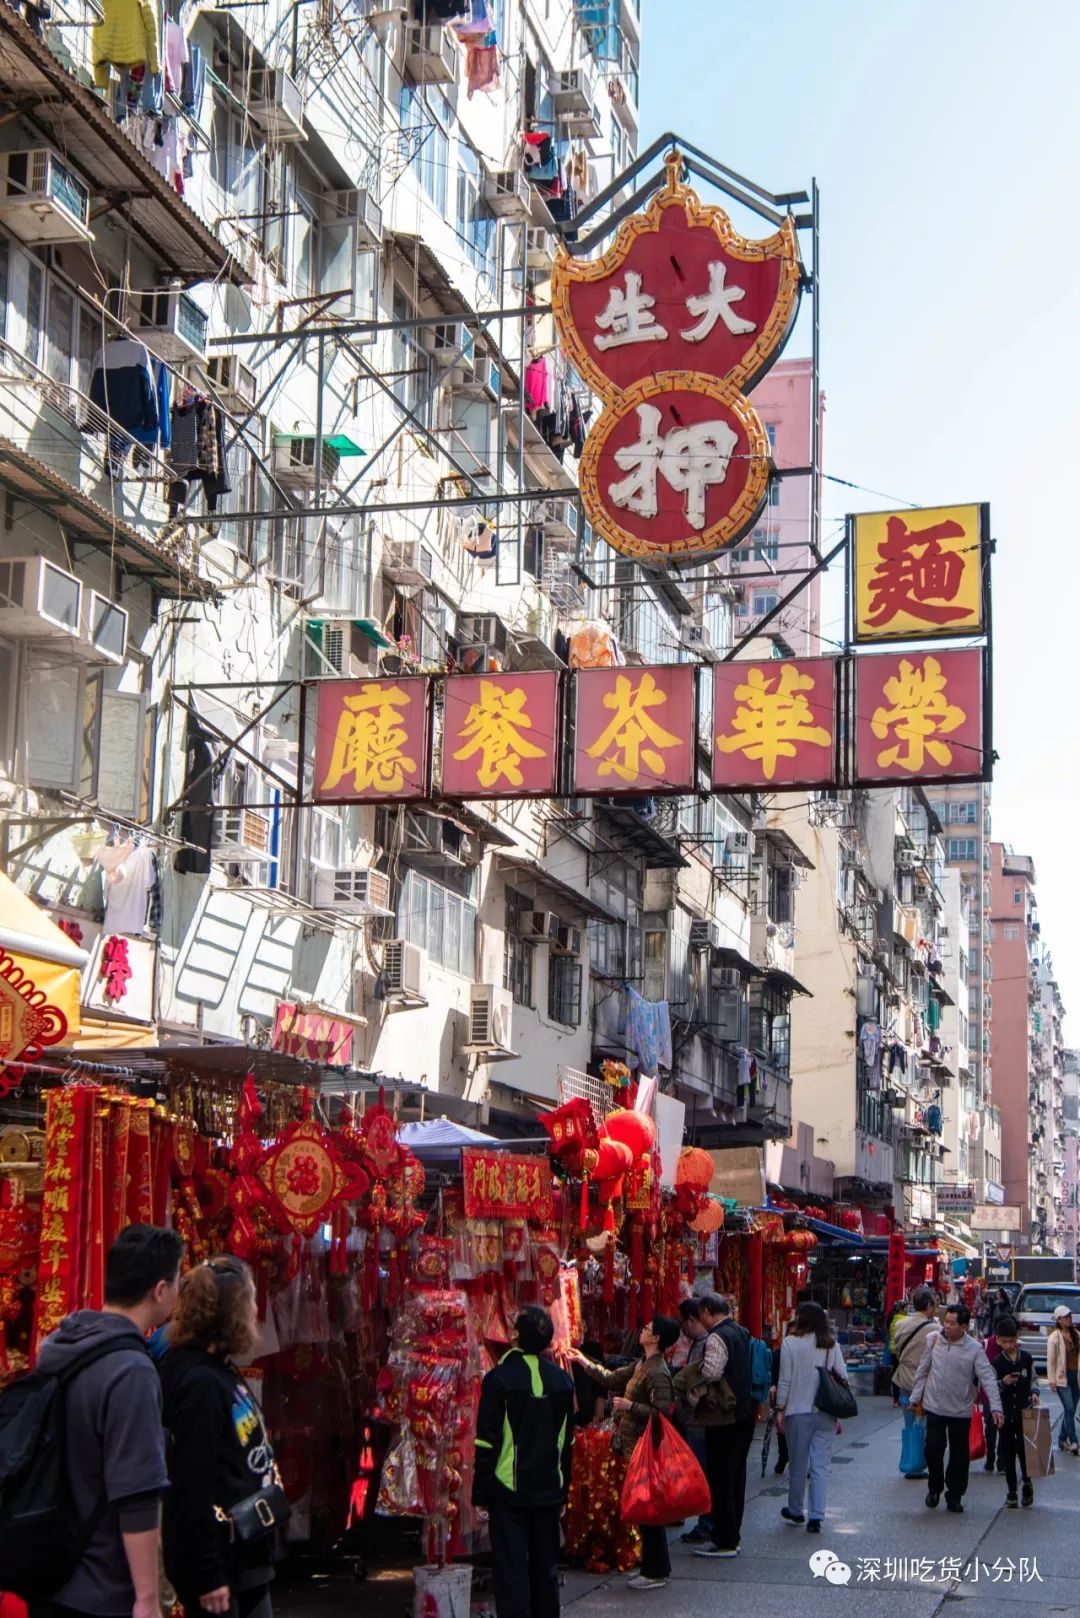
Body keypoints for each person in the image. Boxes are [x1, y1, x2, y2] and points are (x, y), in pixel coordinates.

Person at [34, 1223, 183, 1618]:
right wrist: (148, 1599)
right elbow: (136, 1492)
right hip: (100, 1587)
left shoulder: (60, 1346)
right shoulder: (130, 1371)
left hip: (49, 1569)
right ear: (160, 1290)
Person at [157, 1256, 282, 1618]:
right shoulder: (198, 1383)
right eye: (251, 1301)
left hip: (244, 1560)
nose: (256, 1310)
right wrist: (208, 1574)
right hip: (222, 1568)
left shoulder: (217, 1370)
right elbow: (191, 1485)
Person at [474, 1307, 575, 1618]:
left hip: (508, 1492)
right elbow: (567, 1443)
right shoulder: (561, 1381)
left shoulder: (498, 1379)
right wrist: (564, 1491)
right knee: (545, 1568)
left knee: (511, 1569)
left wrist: (480, 1494)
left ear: (515, 1335)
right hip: (548, 1489)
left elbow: (486, 1441)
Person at [573, 1316, 681, 1590]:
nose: (642, 1330)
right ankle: (654, 1568)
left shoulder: (658, 1371)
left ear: (656, 1338)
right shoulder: (642, 1364)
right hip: (634, 1446)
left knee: (649, 1512)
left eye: (647, 1329)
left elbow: (662, 1414)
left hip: (647, 1448)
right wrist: (583, 1361)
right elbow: (611, 1379)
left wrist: (630, 1406)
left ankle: (655, 1571)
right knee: (646, 1511)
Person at [910, 1304, 1003, 1513]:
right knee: (933, 1448)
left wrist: (996, 1408)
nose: (947, 1326)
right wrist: (916, 1398)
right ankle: (935, 1487)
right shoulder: (933, 1340)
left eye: (952, 1323)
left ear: (964, 1327)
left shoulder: (975, 1349)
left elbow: (988, 1378)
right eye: (946, 1321)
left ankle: (955, 1494)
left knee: (960, 1455)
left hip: (961, 1409)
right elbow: (923, 1370)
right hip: (934, 1406)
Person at [689, 1294, 756, 1561]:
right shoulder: (740, 1331)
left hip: (723, 1417)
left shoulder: (717, 1336)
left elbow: (713, 1372)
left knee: (721, 1477)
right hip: (743, 1413)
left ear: (706, 1312)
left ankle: (725, 1539)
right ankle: (732, 1535)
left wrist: (692, 1384)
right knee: (736, 1476)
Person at [774, 1302, 846, 1534]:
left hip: (797, 1411)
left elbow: (784, 1380)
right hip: (825, 1412)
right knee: (820, 1466)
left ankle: (795, 1510)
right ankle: (817, 1515)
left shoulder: (790, 1343)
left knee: (798, 1464)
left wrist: (780, 1408)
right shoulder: (830, 1345)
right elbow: (843, 1376)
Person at [675, 1300, 713, 1544]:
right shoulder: (703, 1343)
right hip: (697, 1419)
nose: (683, 1329)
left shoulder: (705, 1345)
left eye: (683, 1323)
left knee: (703, 1474)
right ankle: (707, 1521)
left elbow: (702, 1379)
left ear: (691, 1320)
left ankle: (707, 1523)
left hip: (699, 1420)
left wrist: (687, 1395)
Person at [990, 1316, 1036, 1508]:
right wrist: (1003, 1382)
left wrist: (1034, 1393)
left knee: (1025, 1450)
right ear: (998, 1340)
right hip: (1005, 1413)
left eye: (1012, 1341)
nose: (1008, 1345)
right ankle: (1011, 1491)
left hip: (1026, 1411)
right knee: (1008, 1452)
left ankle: (1027, 1481)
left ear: (1017, 1339)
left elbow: (1033, 1379)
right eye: (1004, 1341)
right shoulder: (996, 1363)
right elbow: (991, 1386)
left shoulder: (1026, 1358)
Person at [890, 1288, 939, 1405]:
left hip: (904, 1377)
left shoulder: (900, 1324)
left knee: (908, 1419)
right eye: (934, 1305)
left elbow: (896, 1350)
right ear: (928, 1306)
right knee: (922, 1419)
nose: (935, 1308)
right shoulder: (935, 1329)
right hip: (925, 1381)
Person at [1046, 1305, 1080, 1454]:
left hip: (1076, 1377)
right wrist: (1052, 1380)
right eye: (1065, 1317)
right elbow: (1051, 1361)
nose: (1069, 1319)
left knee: (1070, 1411)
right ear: (1058, 1320)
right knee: (1069, 1408)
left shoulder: (1077, 1335)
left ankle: (1061, 1438)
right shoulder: (1054, 1337)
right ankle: (1074, 1440)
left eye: (1069, 1316)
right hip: (1062, 1378)